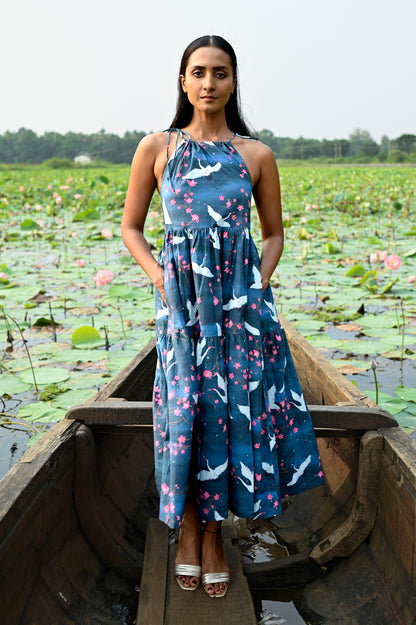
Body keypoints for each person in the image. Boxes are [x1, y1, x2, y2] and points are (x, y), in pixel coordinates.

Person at [122, 35, 325, 599]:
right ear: (182, 80)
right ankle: (186, 529)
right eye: (198, 72)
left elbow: (274, 234)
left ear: (234, 82)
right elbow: (131, 228)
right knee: (187, 411)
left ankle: (215, 535)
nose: (208, 83)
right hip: (181, 307)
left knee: (231, 415)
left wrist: (257, 283)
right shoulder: (156, 148)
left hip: (240, 310)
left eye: (220, 73)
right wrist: (160, 278)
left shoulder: (255, 155)